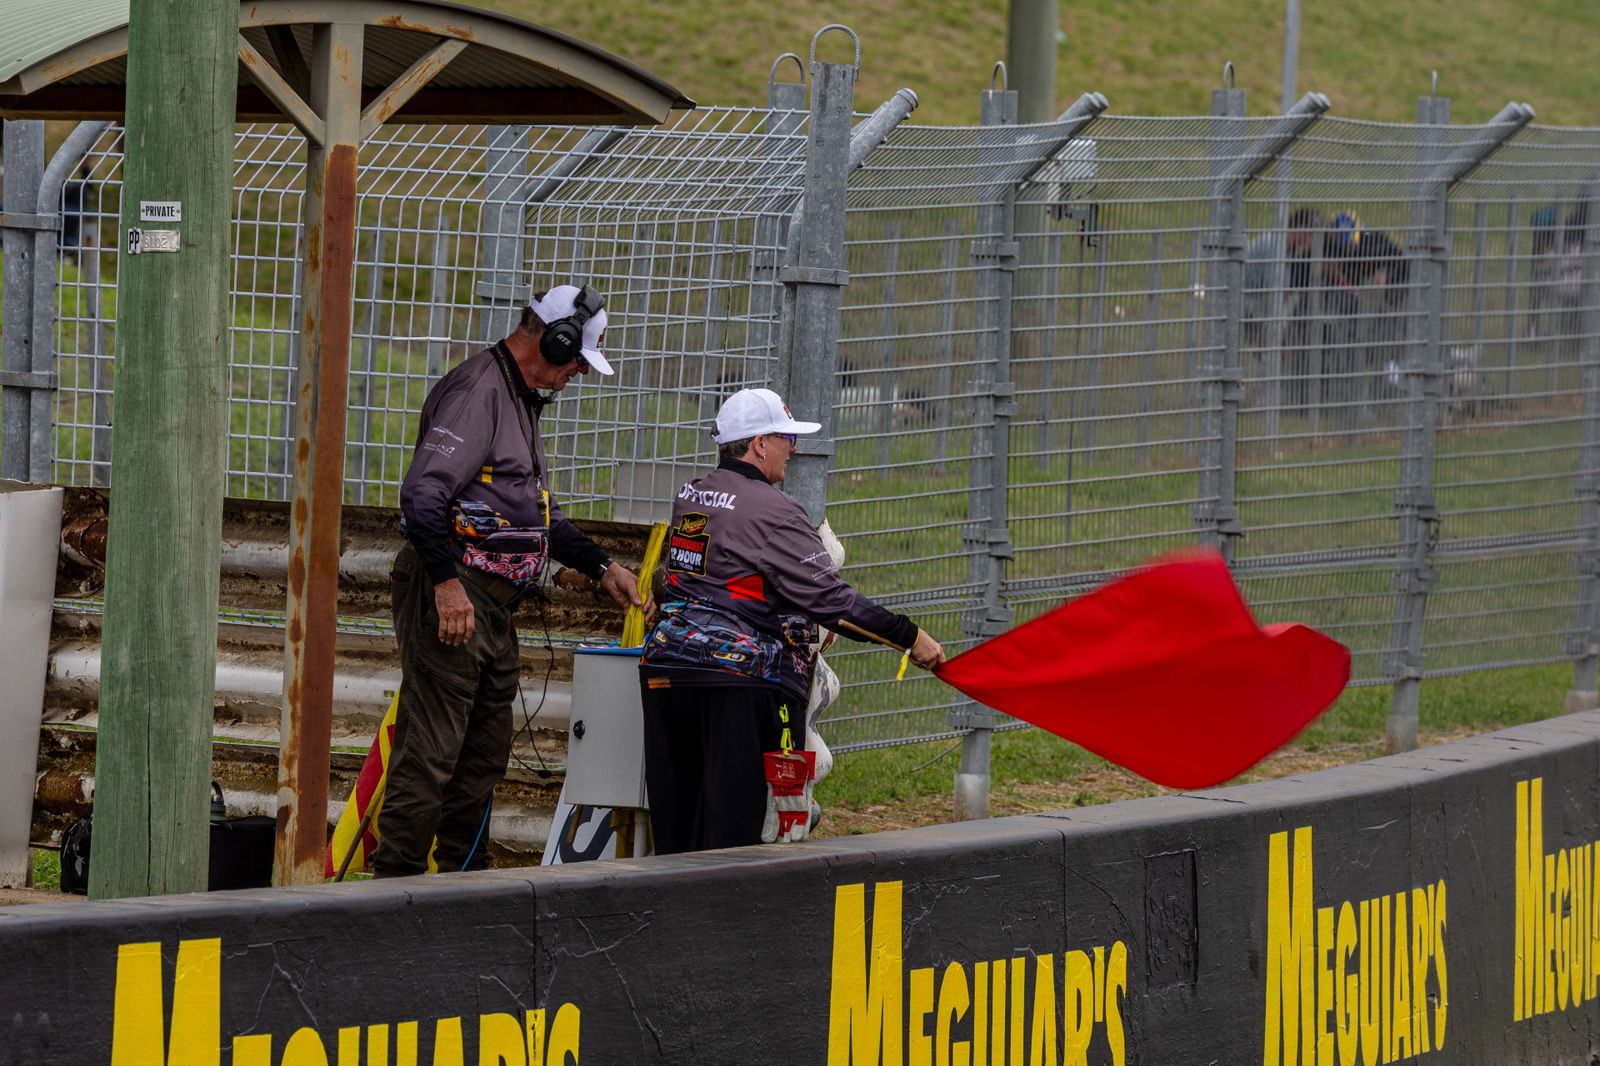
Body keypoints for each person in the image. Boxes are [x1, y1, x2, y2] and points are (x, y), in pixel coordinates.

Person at [373, 283, 646, 877]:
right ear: (556, 338)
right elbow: (423, 494)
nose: (576, 373)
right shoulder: (478, 392)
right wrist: (446, 586)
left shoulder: (518, 397)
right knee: (433, 754)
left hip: (490, 604)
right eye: (576, 359)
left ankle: (461, 884)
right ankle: (391, 889)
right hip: (458, 594)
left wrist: (602, 566)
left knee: (481, 756)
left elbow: (535, 513)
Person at [637, 387, 946, 854]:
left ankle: (674, 923)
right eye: (786, 437)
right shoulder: (776, 511)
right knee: (732, 843)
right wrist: (909, 637)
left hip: (664, 671)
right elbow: (833, 603)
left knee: (677, 834)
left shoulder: (692, 494)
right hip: (737, 682)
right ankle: (725, 927)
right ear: (760, 444)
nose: (793, 448)